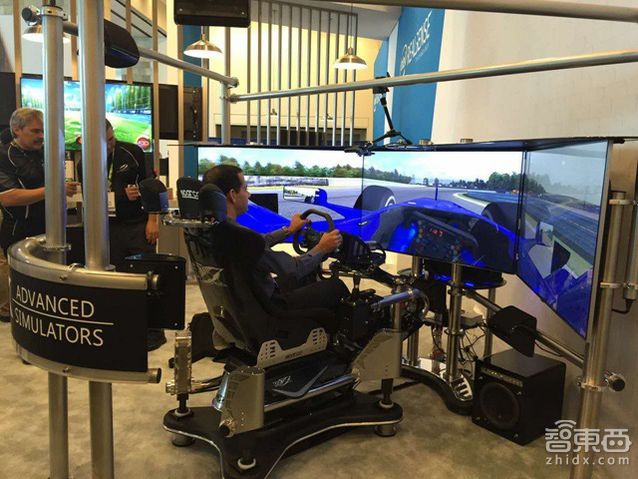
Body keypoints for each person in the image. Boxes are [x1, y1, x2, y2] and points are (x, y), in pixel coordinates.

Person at [202, 164, 349, 314]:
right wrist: (322, 248)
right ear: (233, 195)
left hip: (245, 305)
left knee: (306, 278)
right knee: (336, 287)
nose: (249, 194)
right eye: (245, 189)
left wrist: (289, 230)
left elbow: (259, 242)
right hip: (271, 309)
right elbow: (295, 269)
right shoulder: (241, 238)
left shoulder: (212, 231)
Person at [0, 108, 78, 322]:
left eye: (43, 131)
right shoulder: (5, 156)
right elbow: (8, 197)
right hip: (19, 230)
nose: (41, 136)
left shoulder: (44, 153)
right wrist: (53, 189)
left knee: (48, 287)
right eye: (35, 131)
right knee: (24, 291)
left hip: (50, 228)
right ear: (17, 130)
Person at [104, 120, 163, 350]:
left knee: (147, 278)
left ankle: (153, 332)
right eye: (104, 141)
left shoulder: (132, 152)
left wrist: (153, 220)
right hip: (110, 227)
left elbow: (151, 186)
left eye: (111, 139)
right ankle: (124, 328)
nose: (110, 145)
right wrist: (120, 194)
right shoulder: (85, 161)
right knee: (117, 280)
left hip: (138, 225)